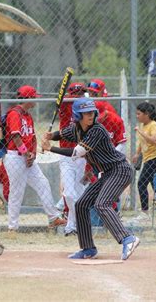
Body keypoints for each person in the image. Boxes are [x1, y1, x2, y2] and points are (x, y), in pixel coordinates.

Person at [42, 97, 140, 260]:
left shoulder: (97, 130)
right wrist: (51, 135)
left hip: (120, 170)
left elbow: (76, 153)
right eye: (85, 113)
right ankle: (88, 248)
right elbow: (63, 134)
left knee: (102, 204)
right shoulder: (77, 128)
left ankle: (127, 238)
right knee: (81, 204)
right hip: (107, 173)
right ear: (77, 116)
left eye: (92, 112)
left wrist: (50, 148)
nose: (90, 116)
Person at [3, 85, 66, 231]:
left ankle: (53, 218)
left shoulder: (28, 115)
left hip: (27, 157)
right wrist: (26, 153)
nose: (35, 101)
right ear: (28, 98)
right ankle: (12, 227)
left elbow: (32, 137)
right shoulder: (14, 114)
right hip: (15, 157)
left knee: (43, 183)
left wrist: (33, 154)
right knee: (17, 191)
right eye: (33, 98)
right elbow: (16, 136)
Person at [57, 82, 87, 236]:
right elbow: (62, 100)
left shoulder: (87, 109)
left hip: (82, 156)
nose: (80, 96)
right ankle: (73, 222)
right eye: (78, 93)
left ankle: (71, 226)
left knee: (80, 191)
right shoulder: (65, 106)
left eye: (82, 93)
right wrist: (70, 98)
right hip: (66, 155)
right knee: (69, 193)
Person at [132, 102, 156, 220]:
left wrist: (140, 132)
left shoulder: (153, 125)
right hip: (148, 158)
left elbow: (154, 140)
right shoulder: (144, 126)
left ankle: (145, 212)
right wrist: (137, 153)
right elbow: (142, 142)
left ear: (147, 114)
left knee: (142, 183)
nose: (137, 116)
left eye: (139, 114)